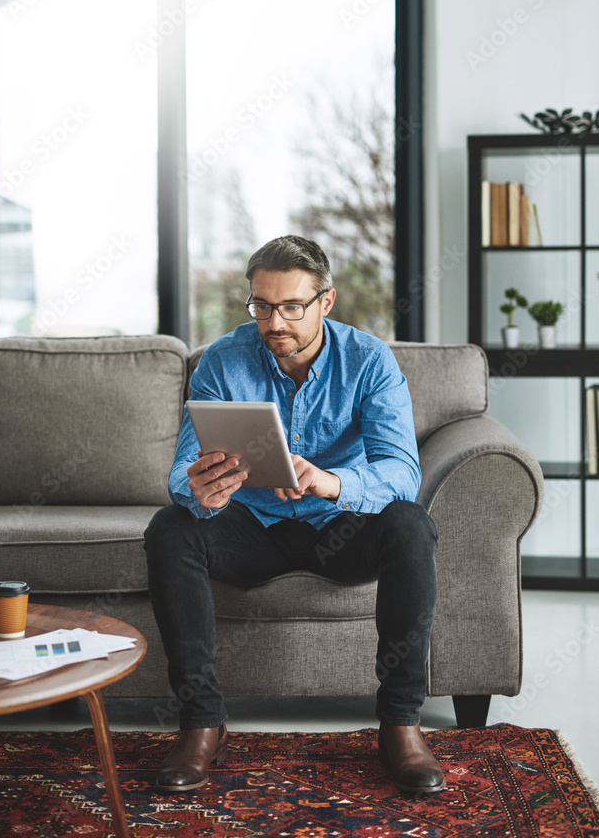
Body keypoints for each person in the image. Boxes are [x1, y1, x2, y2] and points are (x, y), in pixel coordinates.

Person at [144, 235, 444, 796]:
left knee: (411, 523)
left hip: (342, 527)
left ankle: (401, 724)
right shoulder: (223, 360)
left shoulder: (369, 360)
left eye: (289, 307)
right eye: (261, 305)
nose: (273, 321)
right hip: (252, 526)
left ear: (325, 302)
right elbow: (184, 466)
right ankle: (201, 722)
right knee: (170, 529)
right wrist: (199, 490)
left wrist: (333, 483)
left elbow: (403, 473)